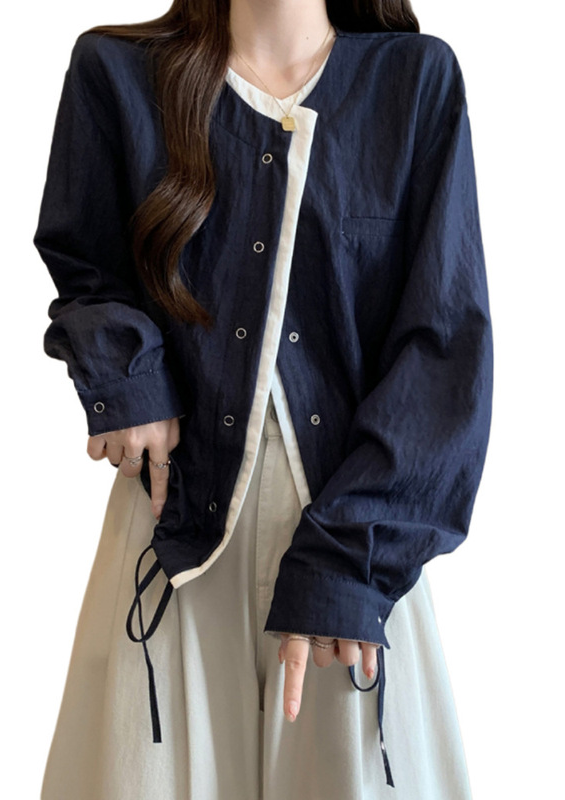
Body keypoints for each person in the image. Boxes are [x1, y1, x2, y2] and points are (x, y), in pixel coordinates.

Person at [33, 0, 493, 797]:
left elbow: (444, 345)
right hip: (174, 527)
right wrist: (127, 375)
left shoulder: (414, 83)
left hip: (352, 536)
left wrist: (347, 571)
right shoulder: (116, 74)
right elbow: (86, 264)